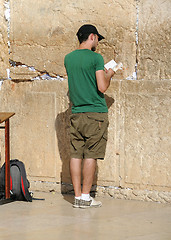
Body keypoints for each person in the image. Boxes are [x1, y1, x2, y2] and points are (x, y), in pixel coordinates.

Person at [64, 24, 115, 208]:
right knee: (91, 155)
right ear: (92, 36)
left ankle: (77, 197)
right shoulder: (96, 58)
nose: (97, 43)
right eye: (97, 39)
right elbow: (102, 87)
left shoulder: (68, 59)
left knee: (76, 154)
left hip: (76, 113)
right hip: (95, 113)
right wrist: (109, 74)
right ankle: (86, 196)